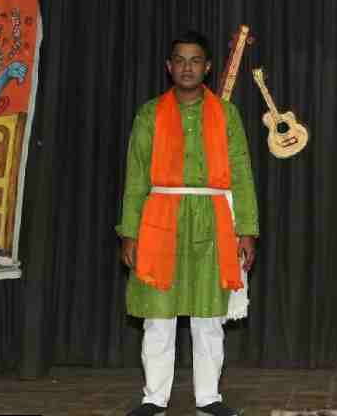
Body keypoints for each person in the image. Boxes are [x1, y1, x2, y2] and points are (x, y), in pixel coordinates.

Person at [117, 31, 259, 416]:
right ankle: (154, 398)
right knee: (158, 316)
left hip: (213, 221)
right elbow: (135, 177)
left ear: (208, 67)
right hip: (159, 220)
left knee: (209, 316)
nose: (187, 67)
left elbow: (242, 173)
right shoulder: (149, 114)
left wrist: (247, 229)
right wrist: (129, 232)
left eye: (195, 60)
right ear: (168, 66)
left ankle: (209, 396)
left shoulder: (226, 115)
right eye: (179, 60)